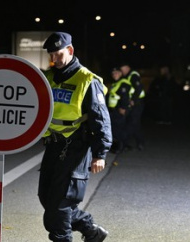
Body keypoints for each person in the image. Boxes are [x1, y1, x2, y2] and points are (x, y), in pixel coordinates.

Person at [38, 32, 112, 242]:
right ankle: (91, 231)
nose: (54, 59)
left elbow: (101, 118)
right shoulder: (49, 78)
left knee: (60, 203)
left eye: (58, 54)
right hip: (53, 145)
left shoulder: (87, 80)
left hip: (77, 146)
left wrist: (100, 153)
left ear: (70, 51)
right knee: (47, 197)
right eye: (51, 54)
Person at [119, 62, 145, 151]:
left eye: (123, 69)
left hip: (137, 103)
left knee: (132, 123)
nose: (122, 71)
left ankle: (124, 143)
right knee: (135, 124)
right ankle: (140, 143)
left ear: (127, 67)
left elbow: (138, 88)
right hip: (134, 103)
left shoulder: (133, 75)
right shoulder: (128, 76)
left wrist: (133, 100)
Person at [107, 67, 133, 153]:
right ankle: (121, 146)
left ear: (120, 73)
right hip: (114, 109)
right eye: (113, 73)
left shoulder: (123, 83)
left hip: (120, 109)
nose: (114, 75)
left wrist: (123, 108)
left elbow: (125, 97)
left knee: (118, 129)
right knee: (115, 128)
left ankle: (120, 147)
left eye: (117, 73)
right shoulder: (116, 83)